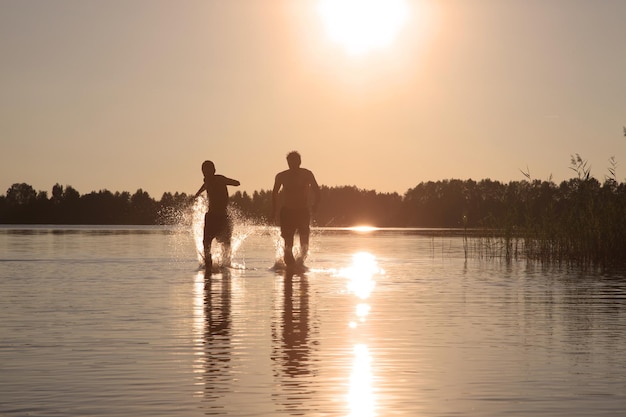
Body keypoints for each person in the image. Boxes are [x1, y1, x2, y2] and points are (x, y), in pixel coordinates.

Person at [272, 151, 321, 269]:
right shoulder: (281, 176)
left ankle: (299, 266)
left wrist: (316, 205)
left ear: (299, 162)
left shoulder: (307, 174)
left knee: (304, 243)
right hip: (287, 212)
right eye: (290, 162)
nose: (292, 165)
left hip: (302, 211)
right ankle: (289, 272)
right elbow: (274, 193)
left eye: (295, 162)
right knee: (288, 243)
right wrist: (274, 211)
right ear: (287, 162)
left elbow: (316, 189)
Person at [194, 160, 240, 272]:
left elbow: (237, 183)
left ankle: (226, 264)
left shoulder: (220, 179)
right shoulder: (207, 181)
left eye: (208, 170)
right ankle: (208, 264)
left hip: (223, 216)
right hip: (211, 216)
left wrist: (229, 181)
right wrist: (196, 195)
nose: (206, 173)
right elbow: (204, 186)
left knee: (225, 242)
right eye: (204, 171)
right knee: (206, 242)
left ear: (214, 170)